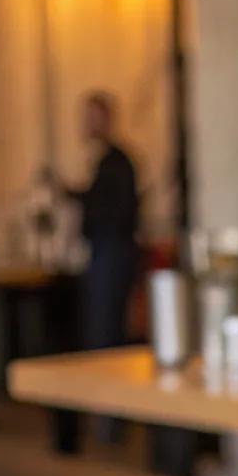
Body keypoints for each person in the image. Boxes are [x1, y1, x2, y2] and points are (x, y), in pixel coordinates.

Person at [68, 91, 140, 351]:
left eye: (92, 118)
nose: (87, 124)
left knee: (104, 330)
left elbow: (115, 210)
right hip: (104, 251)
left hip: (112, 251)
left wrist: (79, 197)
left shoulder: (117, 162)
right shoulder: (101, 160)